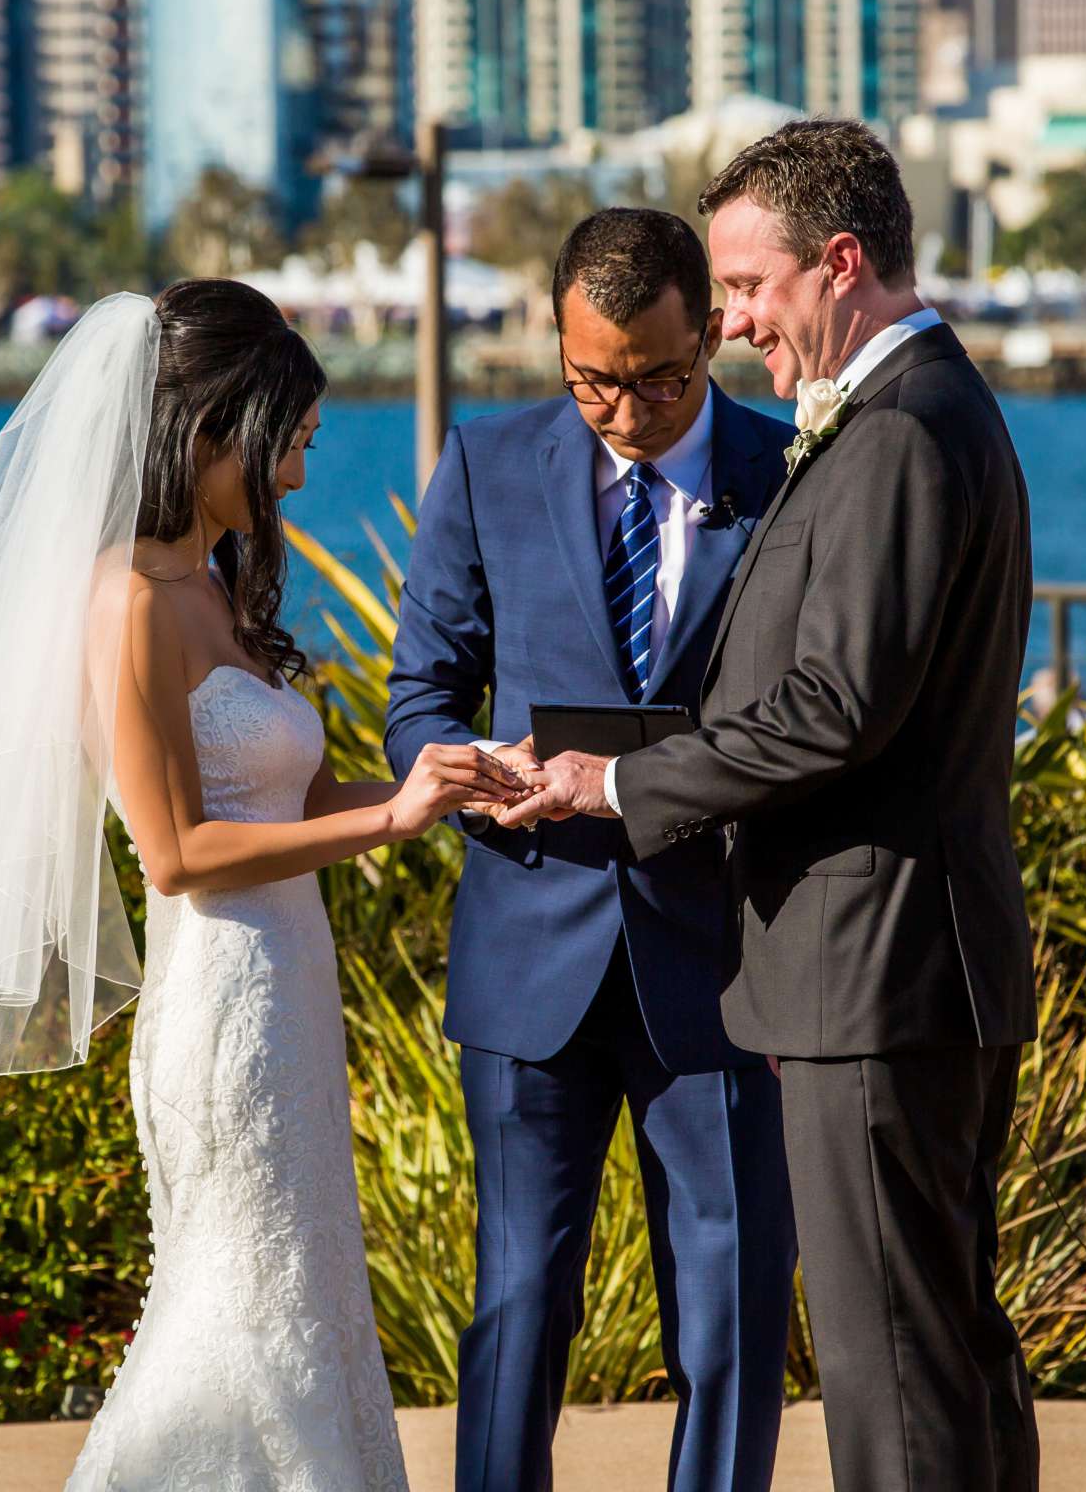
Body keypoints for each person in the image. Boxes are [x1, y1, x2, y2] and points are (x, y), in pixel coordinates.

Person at [0, 280, 523, 1490]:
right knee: (238, 1317)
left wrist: (441, 784)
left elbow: (288, 795)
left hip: (287, 995)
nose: (300, 473)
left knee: (297, 1298)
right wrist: (391, 820)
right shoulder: (132, 603)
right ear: (211, 432)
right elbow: (177, 852)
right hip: (224, 1005)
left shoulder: (212, 582)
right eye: (289, 443)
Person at [506, 121, 1043, 1492]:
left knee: (897, 1377)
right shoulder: (910, 416)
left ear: (840, 263)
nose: (736, 324)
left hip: (878, 969)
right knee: (947, 1345)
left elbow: (836, 707)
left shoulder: (904, 432)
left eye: (748, 290)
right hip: (905, 965)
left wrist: (620, 782)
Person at [385, 208, 798, 1492]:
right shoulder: (487, 463)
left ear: (713, 331)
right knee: (518, 1307)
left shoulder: (795, 472)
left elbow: (813, 714)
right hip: (531, 945)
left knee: (729, 1308)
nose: (624, 409)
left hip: (726, 961)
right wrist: (472, 768)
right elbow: (420, 695)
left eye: (660, 379)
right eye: (593, 380)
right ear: (559, 343)